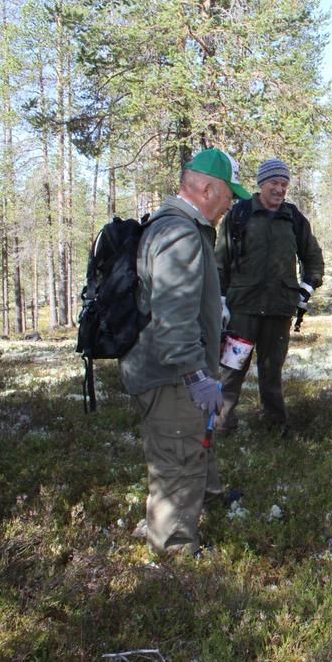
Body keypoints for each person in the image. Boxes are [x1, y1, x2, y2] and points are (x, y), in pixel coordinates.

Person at [119, 148, 252, 556]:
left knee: (189, 450)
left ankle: (203, 501)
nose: (231, 204)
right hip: (173, 376)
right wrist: (197, 378)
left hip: (176, 373)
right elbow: (174, 322)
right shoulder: (180, 233)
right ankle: (175, 556)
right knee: (177, 463)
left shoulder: (177, 227)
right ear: (208, 188)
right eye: (229, 195)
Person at [215, 159, 324, 438]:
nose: (279, 189)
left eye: (284, 184)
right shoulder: (238, 214)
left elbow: (312, 257)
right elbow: (220, 261)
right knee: (231, 370)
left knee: (272, 371)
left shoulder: (294, 218)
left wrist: (305, 289)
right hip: (242, 311)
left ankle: (275, 426)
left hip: (279, 309)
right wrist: (221, 300)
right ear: (261, 184)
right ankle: (222, 424)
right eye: (274, 183)